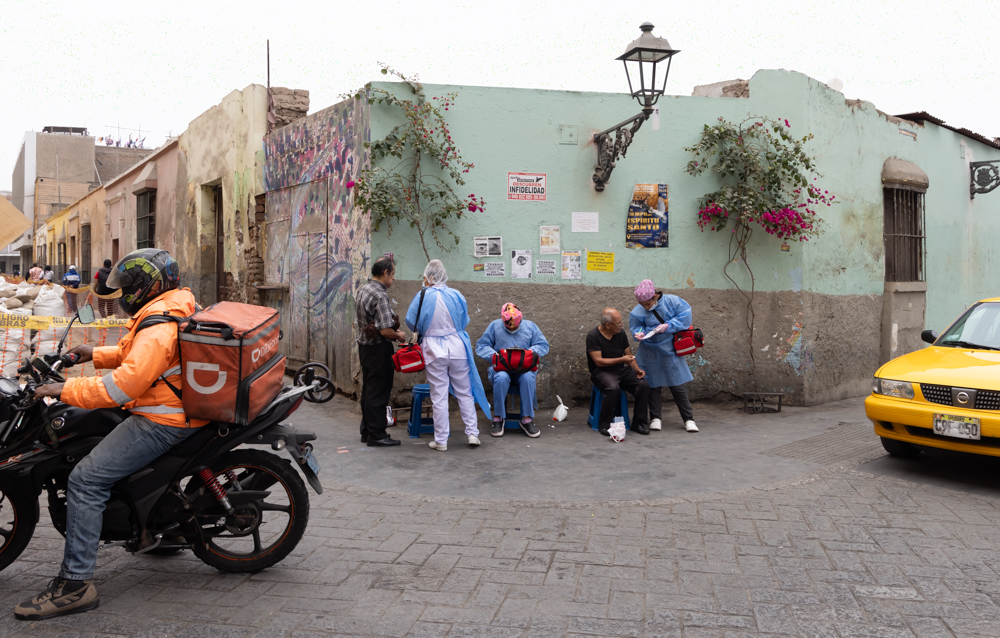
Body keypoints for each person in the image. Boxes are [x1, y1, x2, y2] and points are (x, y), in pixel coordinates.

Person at [15, 249, 202, 621]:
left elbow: (123, 387)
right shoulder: (167, 306)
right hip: (161, 406)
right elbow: (138, 355)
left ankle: (76, 584)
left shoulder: (161, 322)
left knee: (86, 480)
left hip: (160, 419)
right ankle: (155, 525)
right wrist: (94, 354)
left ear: (148, 286)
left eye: (130, 287)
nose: (125, 294)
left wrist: (62, 391)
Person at [405, 260, 490, 451]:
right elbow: (464, 320)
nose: (424, 280)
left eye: (426, 277)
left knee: (439, 396)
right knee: (465, 392)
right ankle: (473, 433)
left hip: (434, 351)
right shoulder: (456, 295)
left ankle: (441, 440)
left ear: (431, 277)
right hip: (458, 348)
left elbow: (412, 323)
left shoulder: (422, 295)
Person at [629, 280, 698, 432]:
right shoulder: (638, 310)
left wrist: (668, 325)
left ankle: (688, 419)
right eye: (643, 305)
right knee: (653, 384)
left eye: (648, 304)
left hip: (670, 348)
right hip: (649, 350)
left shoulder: (673, 301)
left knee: (677, 384)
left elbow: (685, 317)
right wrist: (638, 332)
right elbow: (635, 324)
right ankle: (655, 418)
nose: (646, 307)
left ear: (655, 296)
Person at [475, 303, 549, 438]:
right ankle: (498, 417)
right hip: (502, 367)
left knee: (527, 378)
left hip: (524, 368)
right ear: (503, 320)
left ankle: (526, 419)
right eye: (508, 326)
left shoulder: (530, 326)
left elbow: (543, 345)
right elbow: (482, 345)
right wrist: (495, 355)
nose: (513, 328)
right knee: (501, 378)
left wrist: (530, 352)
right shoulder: (494, 326)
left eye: (516, 325)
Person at [355, 257, 406, 447]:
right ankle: (377, 435)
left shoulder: (364, 289)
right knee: (379, 392)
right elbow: (385, 330)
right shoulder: (380, 295)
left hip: (365, 348)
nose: (393, 279)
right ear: (385, 273)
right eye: (392, 275)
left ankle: (367, 431)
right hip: (378, 348)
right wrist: (399, 335)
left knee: (369, 390)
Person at [587, 308, 650, 436]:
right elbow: (598, 361)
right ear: (608, 325)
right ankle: (604, 424)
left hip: (620, 370)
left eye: (621, 322)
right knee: (612, 388)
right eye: (618, 323)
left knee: (642, 385)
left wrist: (637, 369)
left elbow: (629, 355)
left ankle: (638, 423)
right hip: (600, 372)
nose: (621, 325)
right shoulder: (593, 336)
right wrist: (622, 359)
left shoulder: (620, 333)